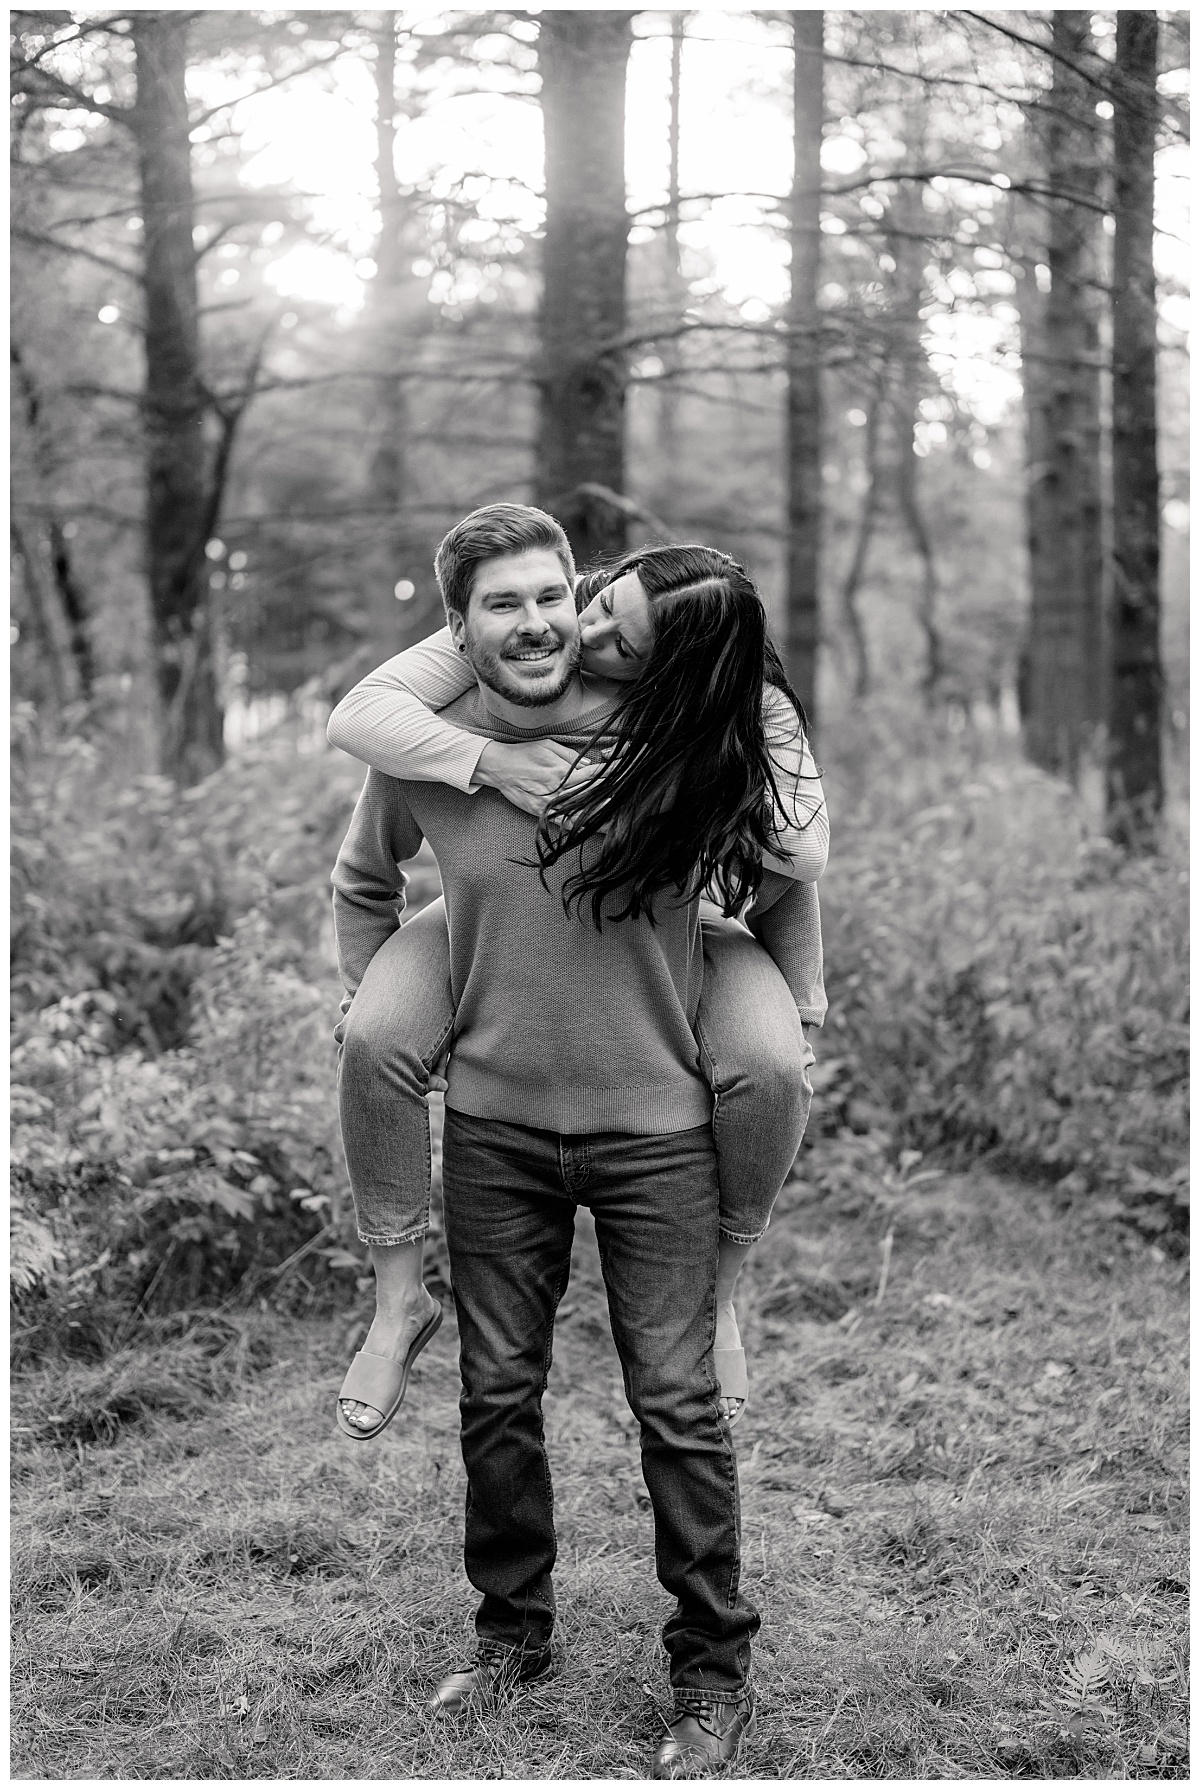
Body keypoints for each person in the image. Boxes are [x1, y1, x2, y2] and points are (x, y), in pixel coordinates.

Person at [330, 503, 817, 1773]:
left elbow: (789, 858)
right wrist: (370, 988)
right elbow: (363, 876)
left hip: (658, 1130)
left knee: (677, 1404)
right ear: (462, 628)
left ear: (584, 599)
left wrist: (782, 971)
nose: (547, 622)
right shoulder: (433, 744)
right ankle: (510, 1635)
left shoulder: (677, 728)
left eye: (559, 597)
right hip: (493, 1126)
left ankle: (711, 1673)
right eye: (506, 603)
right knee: (497, 1392)